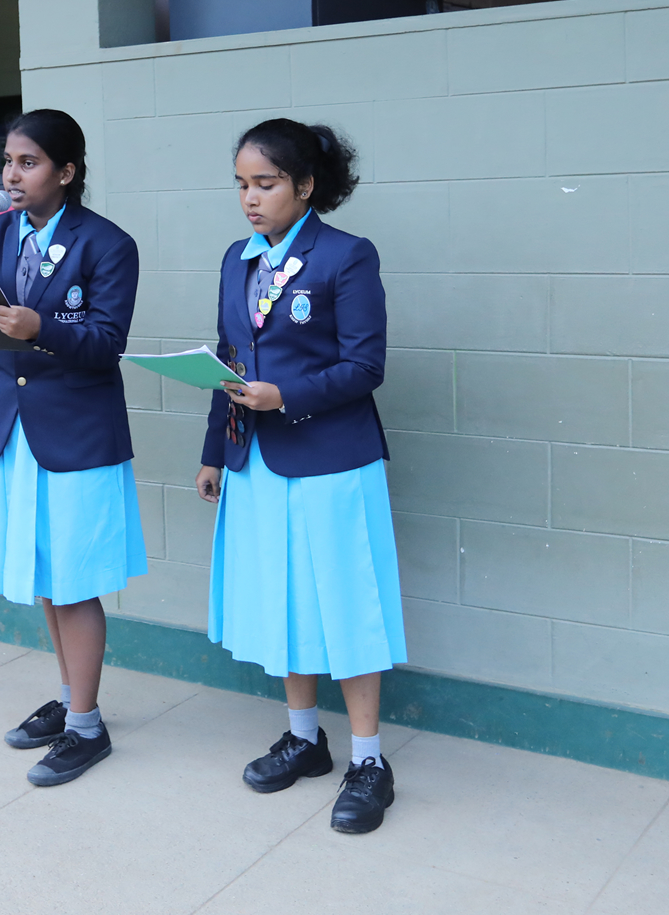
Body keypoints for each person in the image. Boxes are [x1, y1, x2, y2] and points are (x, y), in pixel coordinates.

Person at [194, 118, 406, 834]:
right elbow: (227, 358)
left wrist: (286, 397)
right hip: (255, 458)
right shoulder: (236, 258)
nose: (250, 199)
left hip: (331, 460)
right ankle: (304, 737)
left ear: (305, 185)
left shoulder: (347, 256)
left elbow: (365, 366)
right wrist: (215, 452)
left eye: (266, 183)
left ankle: (370, 760)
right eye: (242, 185)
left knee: (345, 601)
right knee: (283, 597)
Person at [0, 109, 144, 787]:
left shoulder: (107, 244)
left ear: (66, 171)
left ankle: (87, 728)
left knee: (76, 581)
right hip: (16, 427)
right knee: (45, 578)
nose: (11, 174)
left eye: (28, 162)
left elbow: (105, 344)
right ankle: (68, 701)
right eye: (7, 162)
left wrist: (41, 326)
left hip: (78, 432)